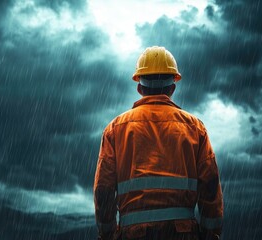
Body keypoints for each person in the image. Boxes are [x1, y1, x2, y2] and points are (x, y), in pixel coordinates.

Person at [93, 46, 223, 240]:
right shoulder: (195, 128)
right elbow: (210, 186)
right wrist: (210, 234)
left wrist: (108, 233)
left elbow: (103, 190)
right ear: (172, 87)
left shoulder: (115, 129)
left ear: (139, 87)